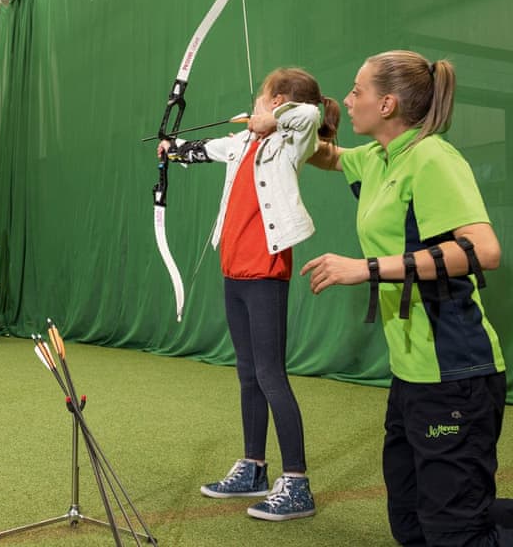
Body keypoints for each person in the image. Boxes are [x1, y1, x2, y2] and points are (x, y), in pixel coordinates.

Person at [302, 49, 510, 545]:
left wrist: (368, 269)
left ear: (388, 104)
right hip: (412, 374)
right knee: (412, 523)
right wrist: (282, 124)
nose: (348, 101)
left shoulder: (432, 157)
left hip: (456, 372)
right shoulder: (378, 157)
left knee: (454, 533)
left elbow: (484, 250)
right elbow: (325, 155)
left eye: (357, 91)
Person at [158, 67, 340, 521]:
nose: (255, 104)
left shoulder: (289, 138)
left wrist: (272, 121)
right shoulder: (243, 144)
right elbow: (202, 150)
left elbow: (310, 117)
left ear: (277, 101)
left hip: (265, 270)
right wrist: (171, 149)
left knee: (270, 374)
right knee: (247, 374)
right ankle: (254, 468)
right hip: (234, 270)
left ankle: (297, 483)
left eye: (262, 98)